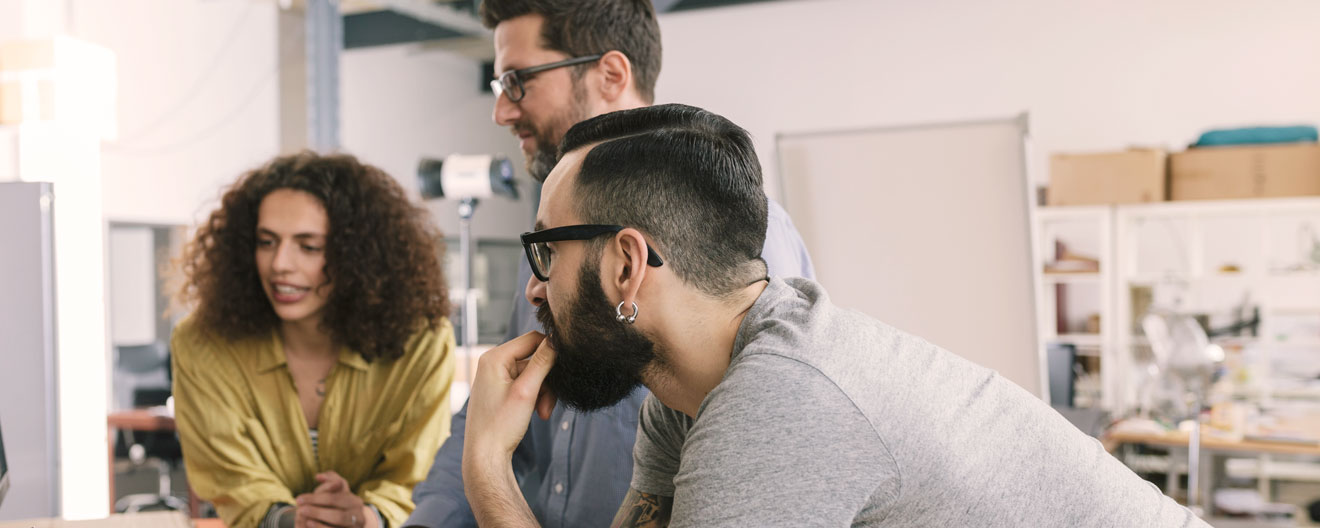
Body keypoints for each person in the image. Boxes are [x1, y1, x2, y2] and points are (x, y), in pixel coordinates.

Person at [461, 104, 1207, 527]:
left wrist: (489, 469)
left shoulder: (781, 401)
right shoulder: (687, 396)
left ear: (627, 265)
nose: (535, 288)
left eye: (545, 250)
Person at [404, 1, 813, 526]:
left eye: (517, 80)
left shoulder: (744, 245)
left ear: (611, 73)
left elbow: (761, 448)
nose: (502, 111)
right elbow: (500, 406)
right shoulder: (555, 248)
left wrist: (488, 472)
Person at [171, 152, 456, 528]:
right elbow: (232, 482)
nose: (280, 264)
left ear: (359, 255)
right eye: (266, 241)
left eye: (309, 246)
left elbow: (417, 475)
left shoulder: (423, 342)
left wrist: (368, 518)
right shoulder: (203, 344)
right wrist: (292, 521)